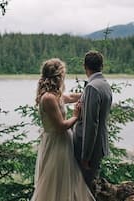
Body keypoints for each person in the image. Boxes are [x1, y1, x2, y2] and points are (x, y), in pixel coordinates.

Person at [31, 58, 95, 201]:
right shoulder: (48, 98)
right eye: (63, 75)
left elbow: (71, 97)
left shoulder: (55, 95)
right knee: (55, 181)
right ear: (58, 77)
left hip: (62, 143)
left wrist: (89, 92)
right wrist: (76, 116)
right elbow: (61, 126)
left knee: (66, 179)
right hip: (56, 144)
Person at [73, 51, 113, 193]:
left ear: (85, 66)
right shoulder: (105, 84)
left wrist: (85, 156)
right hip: (99, 145)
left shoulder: (92, 87)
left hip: (90, 148)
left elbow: (91, 124)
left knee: (85, 189)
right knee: (90, 187)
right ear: (101, 66)